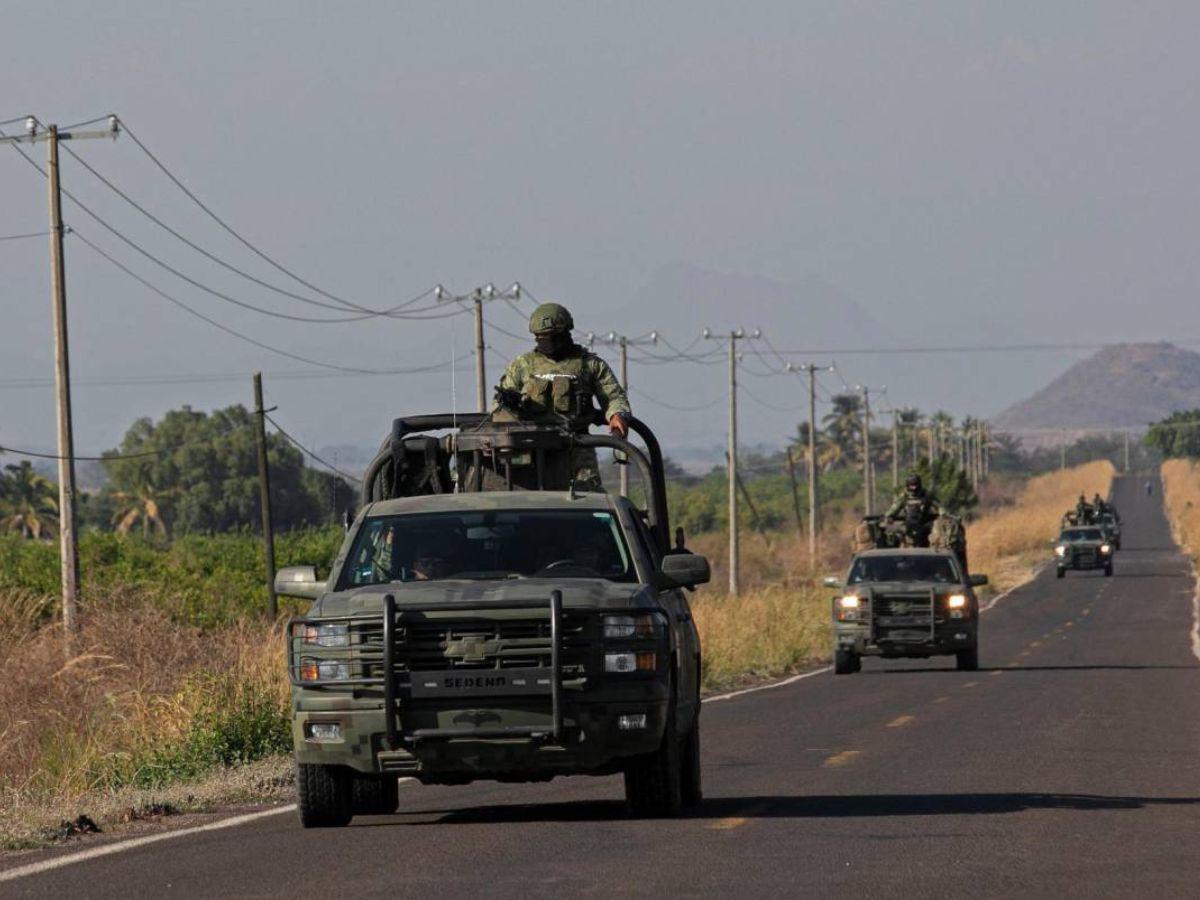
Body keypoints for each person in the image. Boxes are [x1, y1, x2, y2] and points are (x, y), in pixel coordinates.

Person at [493, 302, 631, 491]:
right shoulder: (522, 365)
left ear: (565, 333)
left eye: (551, 337)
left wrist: (616, 415)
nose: (546, 343)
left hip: (577, 446)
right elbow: (498, 407)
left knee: (587, 498)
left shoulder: (589, 365)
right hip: (532, 448)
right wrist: (509, 404)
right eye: (541, 338)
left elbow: (613, 396)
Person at [884, 473, 944, 547]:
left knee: (937, 533)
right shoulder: (904, 496)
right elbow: (893, 510)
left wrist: (943, 515)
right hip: (908, 526)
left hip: (924, 525)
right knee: (893, 535)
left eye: (915, 485)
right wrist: (888, 517)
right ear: (907, 485)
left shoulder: (926, 495)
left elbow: (940, 507)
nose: (914, 488)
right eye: (911, 485)